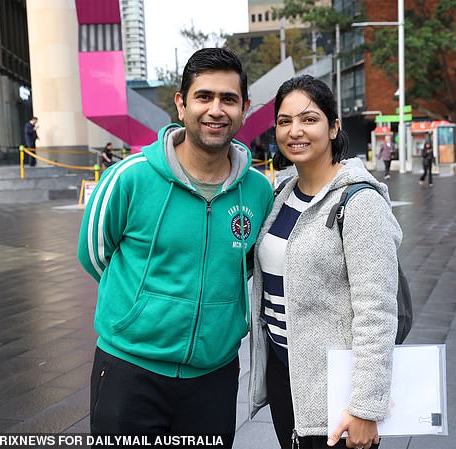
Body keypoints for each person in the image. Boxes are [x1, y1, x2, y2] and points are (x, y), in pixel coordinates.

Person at [77, 48, 273, 443]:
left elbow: (247, 265)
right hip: (129, 372)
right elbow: (94, 254)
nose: (216, 109)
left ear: (245, 109)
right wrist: (141, 308)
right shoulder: (129, 178)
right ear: (181, 104)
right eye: (204, 97)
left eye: (228, 99)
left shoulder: (258, 191)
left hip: (213, 377)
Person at [249, 75, 401, 449]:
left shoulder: (359, 201)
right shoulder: (282, 195)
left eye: (309, 119)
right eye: (285, 121)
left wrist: (366, 407)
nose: (295, 131)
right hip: (286, 375)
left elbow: (377, 310)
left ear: (333, 127)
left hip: (337, 387)